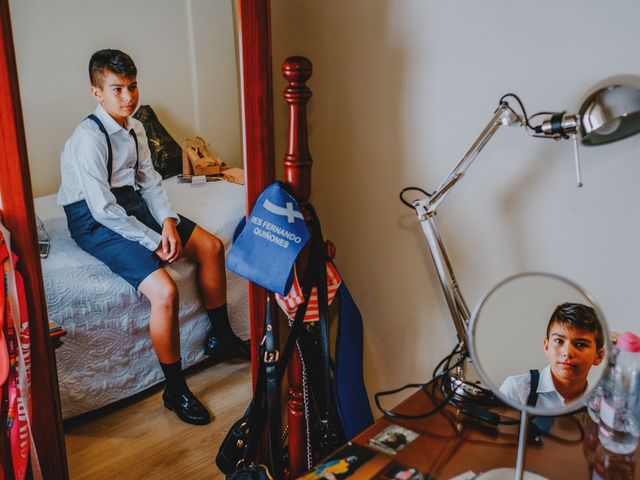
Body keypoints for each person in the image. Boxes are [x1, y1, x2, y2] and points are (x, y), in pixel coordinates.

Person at [57, 49, 250, 425]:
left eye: (132, 86)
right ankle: (175, 389)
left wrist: (166, 223)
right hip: (91, 216)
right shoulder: (87, 139)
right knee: (165, 291)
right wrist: (153, 241)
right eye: (117, 89)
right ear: (96, 92)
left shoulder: (136, 127)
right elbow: (102, 209)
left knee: (210, 247)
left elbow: (150, 182)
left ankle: (221, 337)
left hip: (127, 201)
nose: (128, 97)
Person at [499, 302, 605, 409]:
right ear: (546, 346)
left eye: (581, 344)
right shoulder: (516, 390)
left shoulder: (602, 405)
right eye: (559, 341)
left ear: (599, 356)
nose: (567, 352)